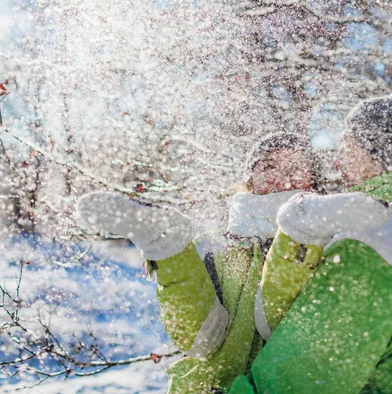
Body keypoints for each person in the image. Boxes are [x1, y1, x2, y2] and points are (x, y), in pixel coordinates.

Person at [230, 90, 392, 394]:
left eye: (346, 144)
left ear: (376, 153)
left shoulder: (370, 249)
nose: (335, 158)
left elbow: (296, 381)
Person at [78, 133, 323, 393]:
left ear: (314, 180)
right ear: (250, 179)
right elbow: (196, 338)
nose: (282, 178)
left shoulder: (332, 242)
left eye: (296, 168)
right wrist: (169, 252)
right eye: (269, 167)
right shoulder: (213, 246)